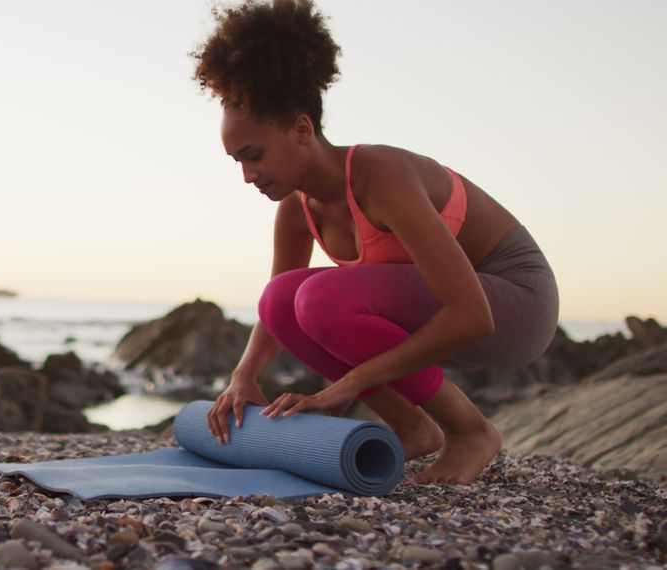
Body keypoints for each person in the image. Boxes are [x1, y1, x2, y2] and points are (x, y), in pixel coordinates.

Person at [197, 0, 559, 485]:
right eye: (236, 161)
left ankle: (470, 431)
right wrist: (244, 376)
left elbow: (472, 314)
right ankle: (412, 427)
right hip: (455, 309)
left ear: (302, 129)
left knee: (322, 298)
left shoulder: (380, 176)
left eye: (254, 155)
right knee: (282, 299)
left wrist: (345, 387)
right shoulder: (296, 208)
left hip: (515, 304)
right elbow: (277, 312)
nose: (247, 176)